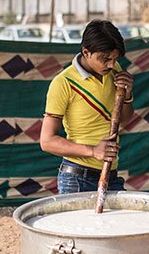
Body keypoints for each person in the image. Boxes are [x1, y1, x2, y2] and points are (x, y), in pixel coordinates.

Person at [40, 20, 133, 194]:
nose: (111, 65)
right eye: (104, 59)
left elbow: (124, 121)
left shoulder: (114, 70)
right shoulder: (63, 83)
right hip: (77, 179)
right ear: (86, 52)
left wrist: (127, 96)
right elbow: (47, 141)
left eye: (115, 59)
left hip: (111, 175)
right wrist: (93, 151)